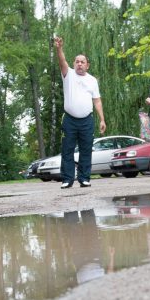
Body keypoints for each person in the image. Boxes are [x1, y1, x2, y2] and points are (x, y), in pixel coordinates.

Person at [53, 36, 106, 189]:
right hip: (69, 120)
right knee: (67, 149)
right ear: (74, 64)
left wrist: (102, 119)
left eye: (83, 62)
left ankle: (84, 178)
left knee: (86, 150)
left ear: (87, 65)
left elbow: (97, 101)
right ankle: (67, 179)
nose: (79, 64)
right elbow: (62, 61)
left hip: (86, 121)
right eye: (77, 61)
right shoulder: (68, 74)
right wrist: (59, 48)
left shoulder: (92, 81)